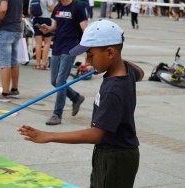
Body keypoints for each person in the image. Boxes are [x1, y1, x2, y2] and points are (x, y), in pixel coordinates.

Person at [18, 19, 145, 187]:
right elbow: (140, 73)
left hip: (114, 156)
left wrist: (49, 136)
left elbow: (95, 134)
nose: (87, 61)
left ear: (110, 53)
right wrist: (116, 60)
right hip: (119, 152)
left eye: (91, 55)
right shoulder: (126, 70)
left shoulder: (112, 90)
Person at [39, 0, 88, 125]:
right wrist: (48, 29)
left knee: (61, 81)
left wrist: (88, 49)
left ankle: (57, 114)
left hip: (70, 47)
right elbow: (55, 28)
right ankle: (76, 97)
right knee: (54, 81)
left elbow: (85, 29)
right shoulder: (58, 7)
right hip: (57, 46)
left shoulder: (78, 7)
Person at [0, 0, 22, 102]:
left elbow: (3, 8)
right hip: (16, 28)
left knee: (5, 62)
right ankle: (14, 89)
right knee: (14, 61)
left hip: (5, 29)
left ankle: (5, 93)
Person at [29, 0, 55, 70]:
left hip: (36, 20)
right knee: (47, 43)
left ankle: (37, 64)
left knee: (38, 43)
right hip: (46, 20)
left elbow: (29, 12)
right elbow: (53, 9)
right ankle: (43, 64)